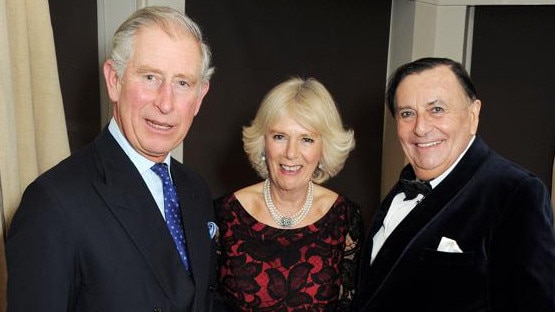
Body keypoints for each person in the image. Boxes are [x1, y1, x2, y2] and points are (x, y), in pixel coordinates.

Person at [6, 6, 223, 311]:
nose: (165, 102)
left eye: (182, 83)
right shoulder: (53, 203)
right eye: (150, 77)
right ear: (114, 80)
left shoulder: (196, 190)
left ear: (199, 97)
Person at [353, 57, 555, 311]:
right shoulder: (400, 191)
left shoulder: (514, 191)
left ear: (473, 114)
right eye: (407, 113)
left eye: (436, 109)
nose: (421, 128)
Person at [215, 77, 362, 311]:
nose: (291, 153)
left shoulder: (344, 217)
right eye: (279, 137)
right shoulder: (224, 214)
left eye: (306, 139)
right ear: (264, 142)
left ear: (324, 148)